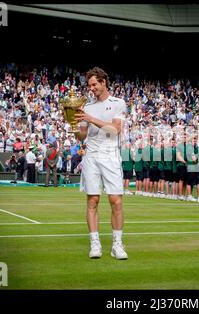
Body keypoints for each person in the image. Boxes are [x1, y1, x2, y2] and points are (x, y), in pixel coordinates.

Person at [75, 67, 128, 260]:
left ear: (104, 82)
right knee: (92, 200)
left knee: (116, 200)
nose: (92, 89)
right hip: (91, 156)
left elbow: (115, 129)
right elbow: (81, 136)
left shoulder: (118, 103)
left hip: (110, 155)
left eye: (94, 84)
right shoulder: (86, 107)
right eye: (89, 86)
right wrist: (75, 125)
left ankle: (117, 244)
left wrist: (90, 119)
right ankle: (95, 244)